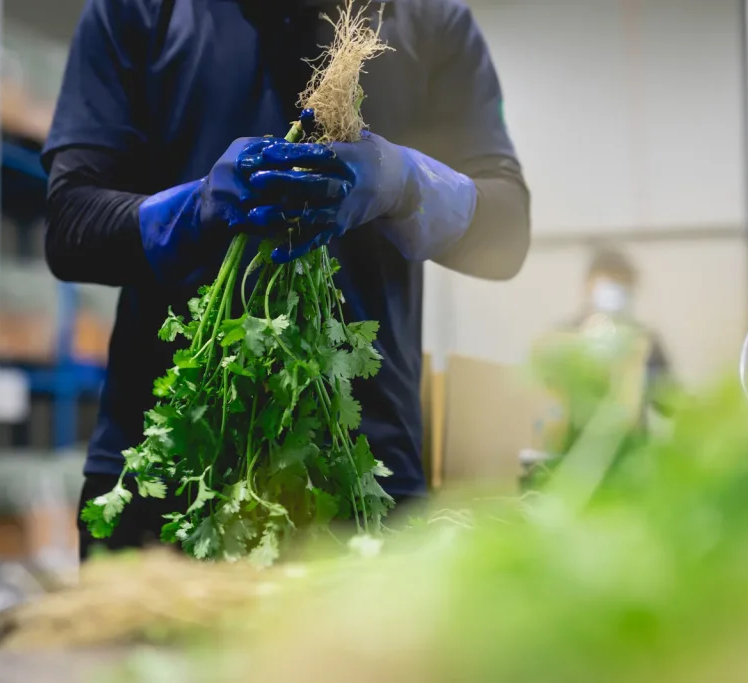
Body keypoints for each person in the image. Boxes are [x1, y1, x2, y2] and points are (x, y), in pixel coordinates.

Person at [41, 0, 531, 560]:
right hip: (171, 464)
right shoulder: (140, 11)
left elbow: (507, 232)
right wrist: (196, 210)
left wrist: (405, 184)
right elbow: (71, 226)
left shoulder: (431, 21)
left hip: (360, 474)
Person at [571, 247, 680, 416]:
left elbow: (669, 400)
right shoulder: (566, 340)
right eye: (608, 284)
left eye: (621, 285)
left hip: (634, 430)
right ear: (588, 286)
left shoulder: (648, 342)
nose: (614, 293)